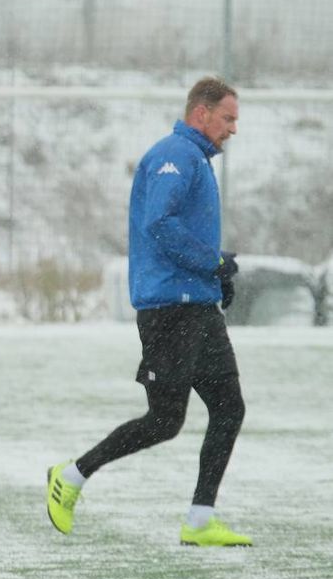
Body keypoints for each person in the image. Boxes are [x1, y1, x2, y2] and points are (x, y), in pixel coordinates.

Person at [46, 77, 249, 547]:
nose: (233, 129)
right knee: (164, 421)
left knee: (227, 408)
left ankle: (200, 519)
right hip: (171, 311)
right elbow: (160, 225)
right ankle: (71, 475)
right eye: (228, 118)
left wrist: (214, 275)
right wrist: (213, 262)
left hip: (194, 305)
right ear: (202, 112)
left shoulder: (194, 158)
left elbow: (179, 232)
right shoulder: (175, 156)